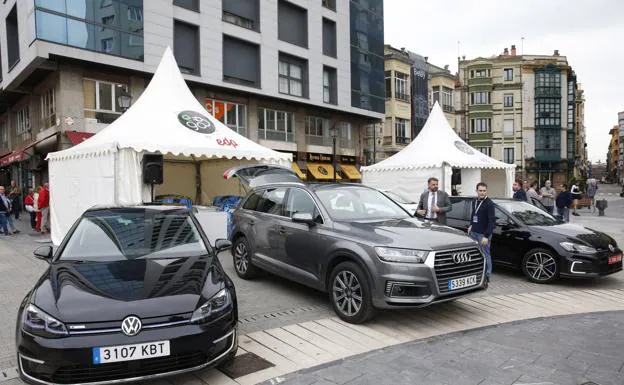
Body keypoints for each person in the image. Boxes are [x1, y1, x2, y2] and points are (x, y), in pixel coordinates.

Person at [467, 182, 495, 286]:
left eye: (484, 191)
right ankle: (476, 274)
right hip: (473, 232)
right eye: (480, 191)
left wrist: (486, 236)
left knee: (486, 255)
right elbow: (474, 214)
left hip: (483, 235)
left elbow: (492, 222)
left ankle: (487, 276)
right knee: (475, 254)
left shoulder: (489, 203)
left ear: (486, 191)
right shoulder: (475, 201)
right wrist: (471, 225)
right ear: (477, 191)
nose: (482, 192)